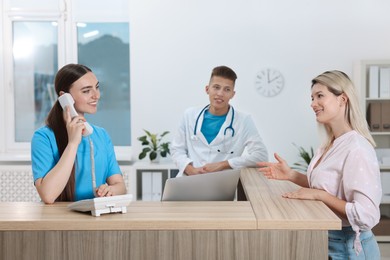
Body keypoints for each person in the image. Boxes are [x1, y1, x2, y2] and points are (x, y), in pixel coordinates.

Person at [257, 70, 382, 259]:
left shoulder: (357, 148)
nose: (313, 104)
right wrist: (291, 175)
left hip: (349, 248)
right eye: (312, 98)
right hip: (328, 241)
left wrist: (319, 195)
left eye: (320, 96)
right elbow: (329, 187)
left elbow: (365, 215)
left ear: (343, 99)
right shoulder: (330, 144)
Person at [31, 64, 126, 204]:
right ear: (65, 97)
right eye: (87, 91)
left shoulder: (101, 135)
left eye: (97, 87)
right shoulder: (43, 138)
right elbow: (48, 196)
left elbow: (120, 186)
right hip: (58, 220)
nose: (96, 95)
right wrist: (73, 143)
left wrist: (110, 191)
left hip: (96, 217)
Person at [171, 65, 268, 177]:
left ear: (233, 94)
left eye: (227, 89)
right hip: (188, 181)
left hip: (221, 186)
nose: (220, 94)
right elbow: (177, 150)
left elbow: (261, 156)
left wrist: (224, 164)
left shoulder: (243, 121)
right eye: (216, 87)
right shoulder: (189, 115)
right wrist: (190, 170)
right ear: (207, 89)